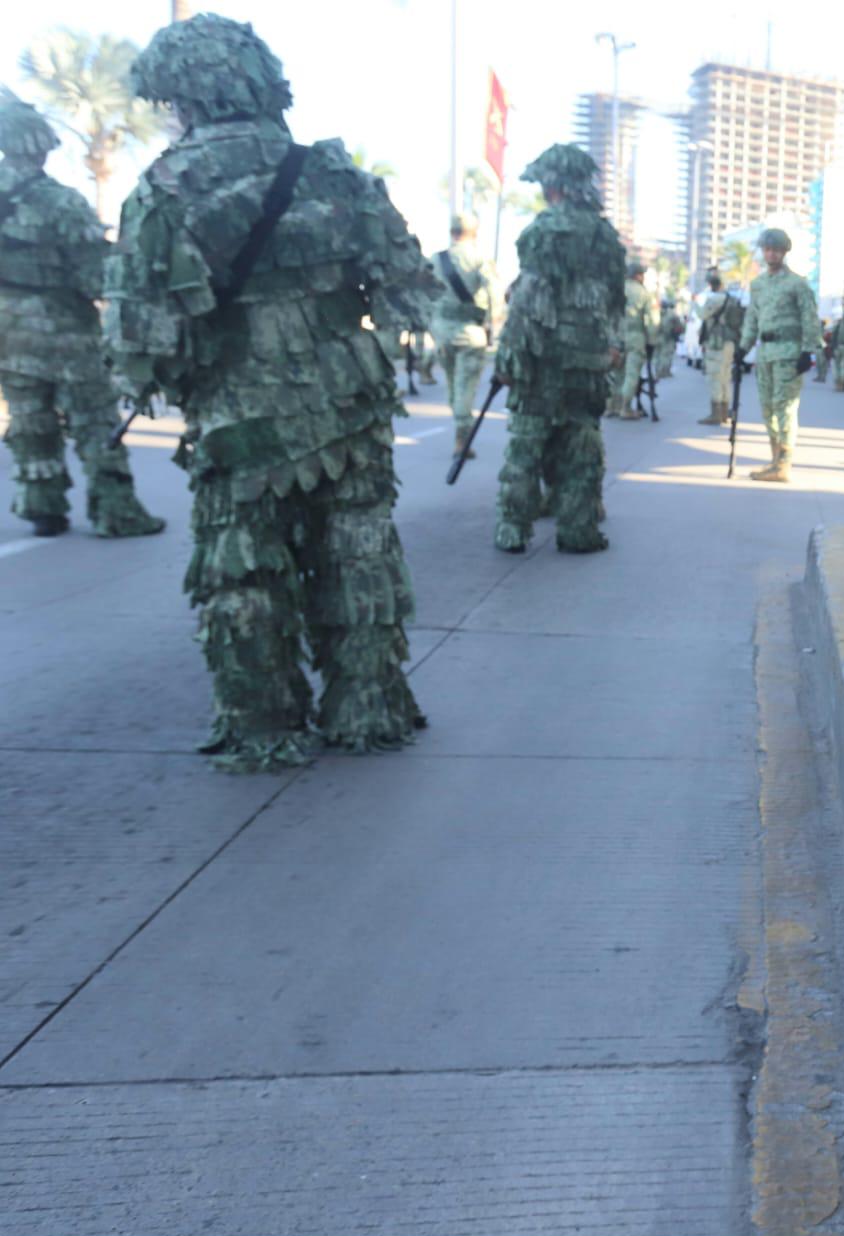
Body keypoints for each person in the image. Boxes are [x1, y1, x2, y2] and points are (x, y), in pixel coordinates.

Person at [103, 14, 439, 772]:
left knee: (244, 571)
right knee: (358, 554)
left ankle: (264, 724)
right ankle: (369, 707)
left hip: (236, 416)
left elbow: (139, 340)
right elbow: (410, 293)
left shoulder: (161, 190)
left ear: (182, 94)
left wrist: (181, 372)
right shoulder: (333, 172)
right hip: (349, 406)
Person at [0, 90, 165, 540]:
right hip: (66, 332)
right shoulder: (62, 202)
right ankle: (116, 512)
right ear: (40, 145)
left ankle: (42, 508)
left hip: (7, 332)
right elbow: (95, 277)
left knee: (31, 419)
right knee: (94, 419)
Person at [491, 143, 623, 555]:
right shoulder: (605, 234)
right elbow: (617, 299)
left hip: (542, 355)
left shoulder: (544, 229)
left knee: (526, 443)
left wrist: (509, 356)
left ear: (552, 185)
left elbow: (529, 297)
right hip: (588, 359)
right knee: (581, 442)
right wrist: (611, 345)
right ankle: (577, 529)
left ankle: (513, 529)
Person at [736, 226, 821, 483]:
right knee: (768, 409)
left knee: (785, 408)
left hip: (789, 353)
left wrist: (808, 350)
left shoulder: (797, 284)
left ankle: (783, 464)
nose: (771, 254)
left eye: (776, 250)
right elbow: (752, 318)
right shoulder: (758, 284)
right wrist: (743, 348)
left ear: (784, 252)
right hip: (765, 353)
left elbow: (809, 317)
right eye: (768, 250)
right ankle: (774, 459)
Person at [431, 210, 500, 461]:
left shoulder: (436, 259)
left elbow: (426, 295)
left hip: (442, 331)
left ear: (451, 231)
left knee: (452, 384)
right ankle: (462, 436)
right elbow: (494, 292)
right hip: (471, 332)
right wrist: (495, 323)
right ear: (475, 231)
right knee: (465, 387)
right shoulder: (479, 258)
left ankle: (460, 427)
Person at [608, 257, 656, 419]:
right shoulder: (643, 293)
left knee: (615, 374)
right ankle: (625, 408)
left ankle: (611, 407)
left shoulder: (615, 290)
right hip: (635, 337)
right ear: (638, 275)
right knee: (631, 374)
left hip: (615, 337)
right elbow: (652, 321)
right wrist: (652, 341)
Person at [695, 269, 742, 426]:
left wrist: (694, 302)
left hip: (716, 344)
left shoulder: (715, 299)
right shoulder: (731, 299)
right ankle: (724, 412)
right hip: (729, 343)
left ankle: (716, 414)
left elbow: (702, 314)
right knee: (725, 378)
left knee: (715, 377)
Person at [656, 296, 682, 379]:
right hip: (669, 337)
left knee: (658, 355)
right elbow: (680, 326)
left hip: (657, 336)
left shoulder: (656, 312)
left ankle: (659, 371)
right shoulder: (673, 314)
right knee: (667, 355)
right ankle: (665, 371)